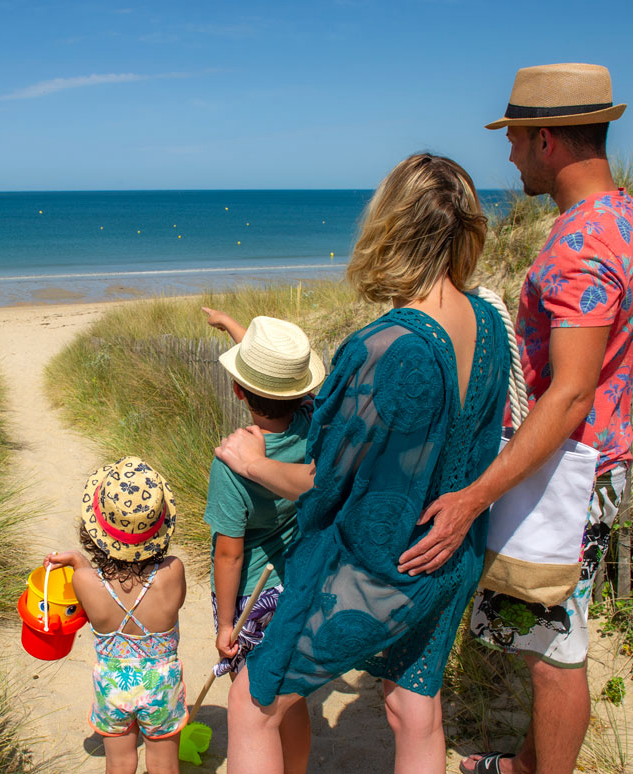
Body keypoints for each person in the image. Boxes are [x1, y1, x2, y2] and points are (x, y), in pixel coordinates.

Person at [396, 64, 633, 774]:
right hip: (592, 460)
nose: (508, 155)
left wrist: (474, 497)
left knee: (555, 653)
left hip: (570, 470)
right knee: (553, 637)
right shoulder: (628, 219)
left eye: (514, 139)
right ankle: (518, 765)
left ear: (546, 139)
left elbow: (571, 393)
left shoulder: (583, 244)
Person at [215, 153, 511, 774]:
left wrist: (253, 462)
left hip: (380, 570)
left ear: (391, 226)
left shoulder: (387, 345)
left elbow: (324, 482)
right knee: (414, 707)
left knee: (254, 704)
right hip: (449, 556)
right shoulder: (487, 321)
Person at [200, 310, 324, 771]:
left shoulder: (232, 462)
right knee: (289, 692)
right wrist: (233, 326)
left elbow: (229, 553)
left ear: (237, 390)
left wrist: (225, 625)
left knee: (257, 699)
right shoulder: (312, 420)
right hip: (298, 581)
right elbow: (288, 386)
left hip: (255, 593)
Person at [44, 456, 187, 774]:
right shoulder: (173, 571)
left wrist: (79, 562)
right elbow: (175, 604)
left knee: (120, 763)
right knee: (165, 765)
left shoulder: (85, 582)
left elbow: (89, 582)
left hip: (114, 684)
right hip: (161, 682)